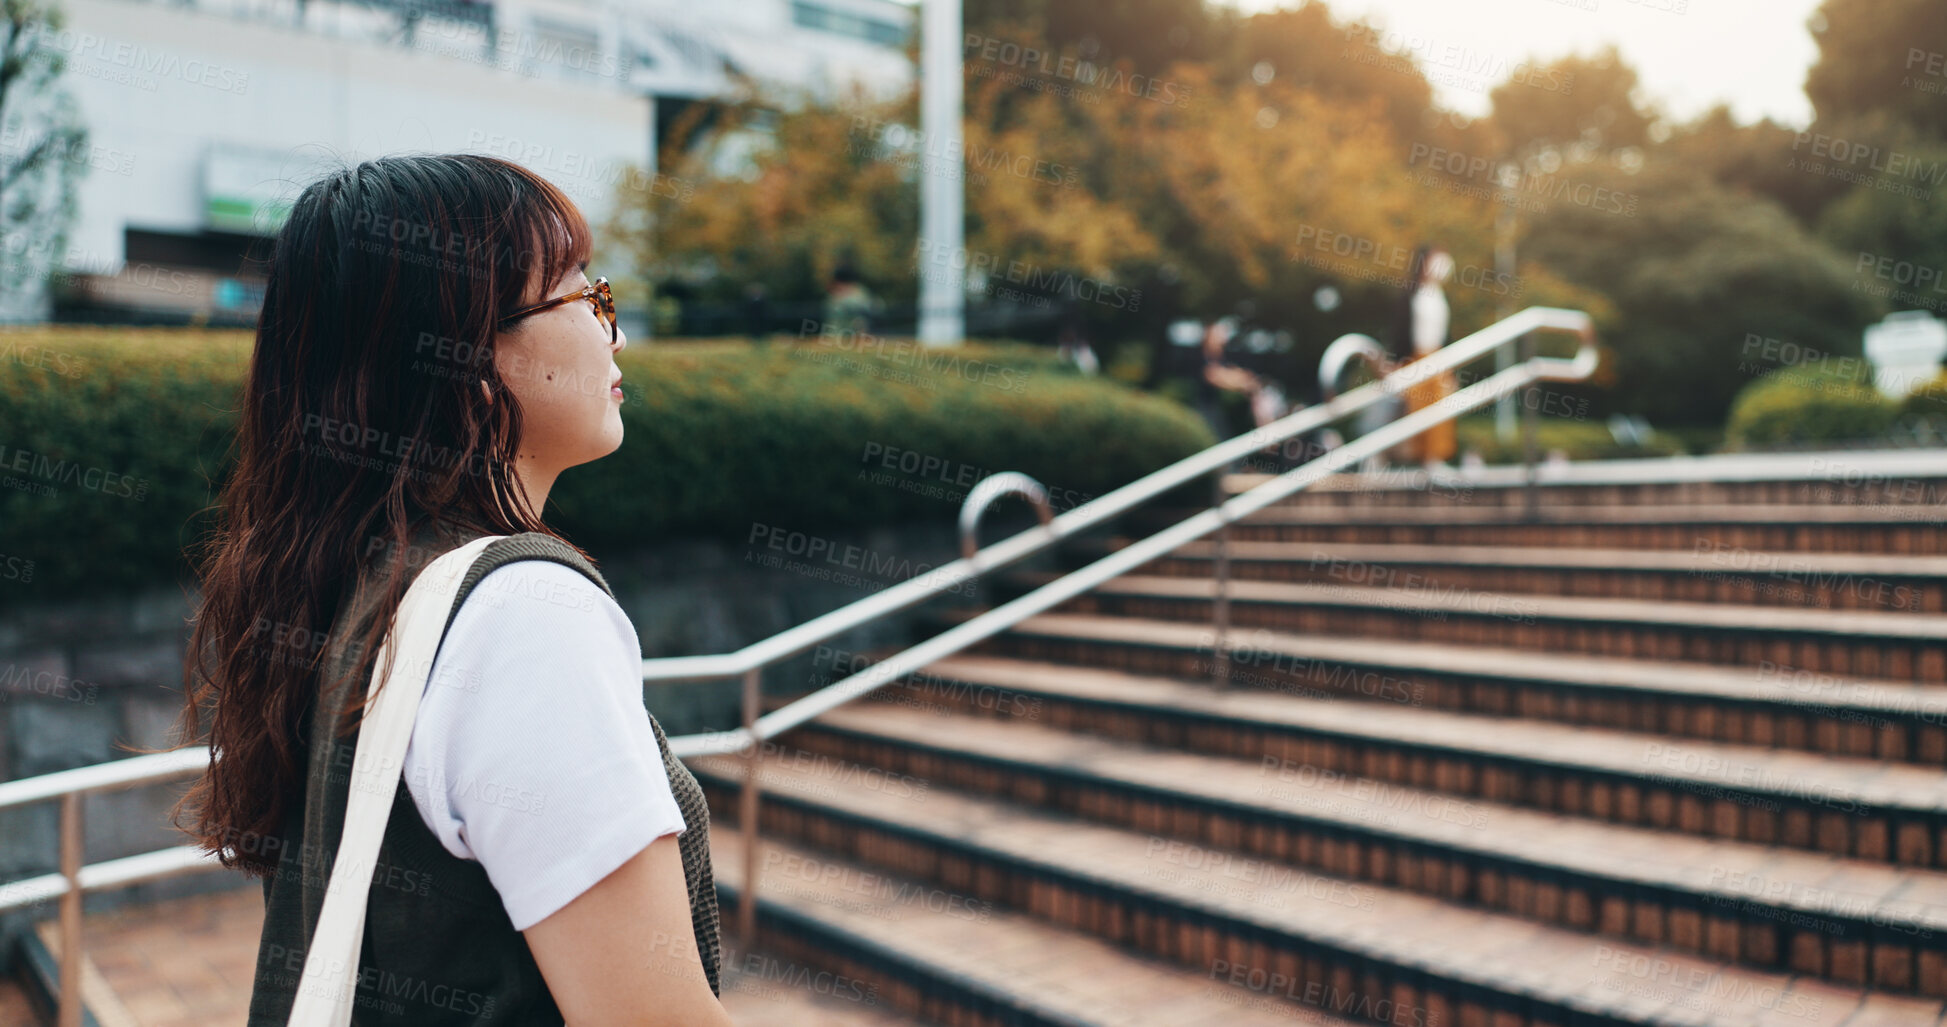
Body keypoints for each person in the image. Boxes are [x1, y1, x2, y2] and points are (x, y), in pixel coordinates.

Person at [165, 155, 733, 1026]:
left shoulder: (360, 582)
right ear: (467, 358)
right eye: (587, 297)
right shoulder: (524, 615)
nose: (614, 335)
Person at [1390, 244, 1457, 474]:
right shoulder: (1411, 294)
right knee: (1416, 410)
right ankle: (1412, 459)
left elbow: (1445, 334)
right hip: (1416, 358)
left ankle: (1433, 460)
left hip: (1439, 359)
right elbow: (1400, 330)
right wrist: (1396, 360)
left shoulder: (1440, 296)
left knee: (1439, 411)